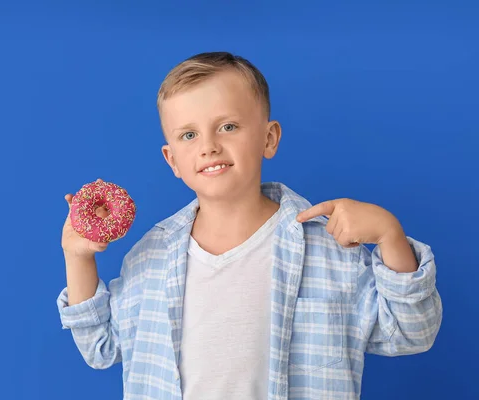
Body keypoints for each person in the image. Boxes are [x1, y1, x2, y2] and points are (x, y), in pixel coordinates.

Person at [56, 51, 442, 400]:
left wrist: (389, 234)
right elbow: (101, 348)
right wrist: (77, 256)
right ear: (172, 160)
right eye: (189, 135)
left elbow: (412, 333)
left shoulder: (330, 250)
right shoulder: (149, 258)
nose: (208, 145)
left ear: (269, 138)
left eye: (227, 127)